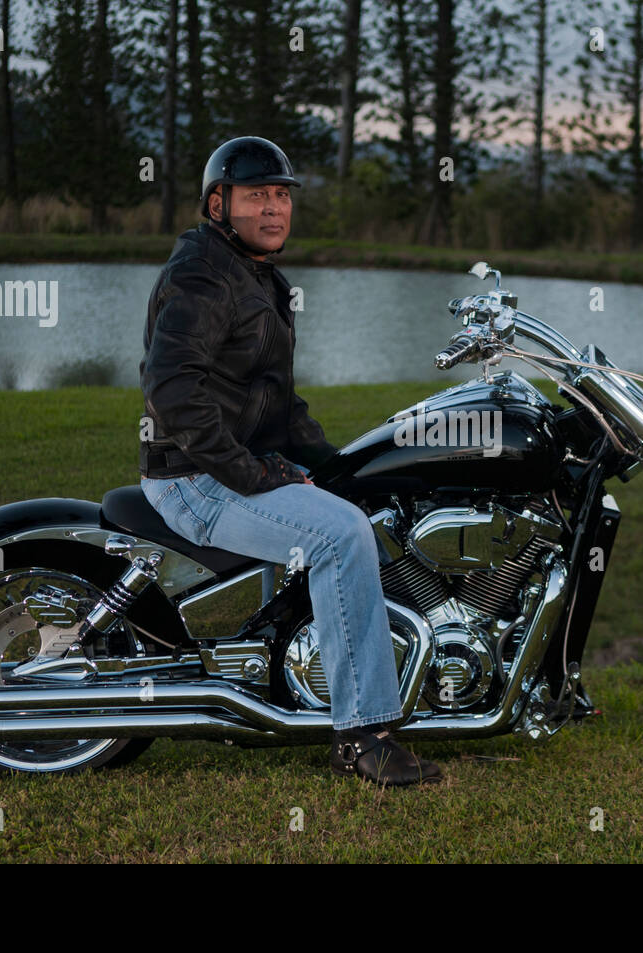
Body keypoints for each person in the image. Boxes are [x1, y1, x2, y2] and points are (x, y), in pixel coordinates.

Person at [138, 136, 442, 786]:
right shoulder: (201, 274)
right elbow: (175, 396)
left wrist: (341, 466)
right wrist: (257, 474)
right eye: (257, 195)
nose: (274, 208)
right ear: (218, 202)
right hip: (197, 476)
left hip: (231, 465)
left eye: (282, 194)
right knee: (339, 535)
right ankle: (363, 733)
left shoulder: (257, 276)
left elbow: (279, 403)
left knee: (365, 505)